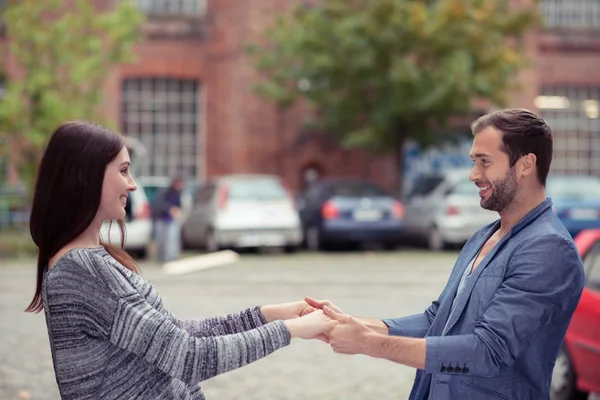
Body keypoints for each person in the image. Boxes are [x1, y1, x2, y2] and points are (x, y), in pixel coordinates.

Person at [25, 121, 337, 400]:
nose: (132, 184)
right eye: (123, 170)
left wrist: (272, 314)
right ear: (85, 176)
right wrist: (291, 330)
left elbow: (175, 334)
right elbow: (187, 356)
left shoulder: (87, 261)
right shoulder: (84, 270)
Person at [306, 109, 585, 400]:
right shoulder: (484, 236)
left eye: (484, 162)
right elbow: (437, 321)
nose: (473, 175)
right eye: (474, 162)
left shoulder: (549, 248)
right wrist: (354, 324)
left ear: (526, 164)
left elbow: (488, 351)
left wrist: (370, 344)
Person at [153, 176, 184, 262]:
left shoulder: (178, 193)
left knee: (172, 239)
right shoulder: (165, 191)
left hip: (172, 219)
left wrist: (178, 211)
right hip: (162, 218)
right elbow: (159, 203)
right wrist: (169, 209)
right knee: (161, 240)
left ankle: (171, 258)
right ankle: (161, 258)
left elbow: (179, 204)